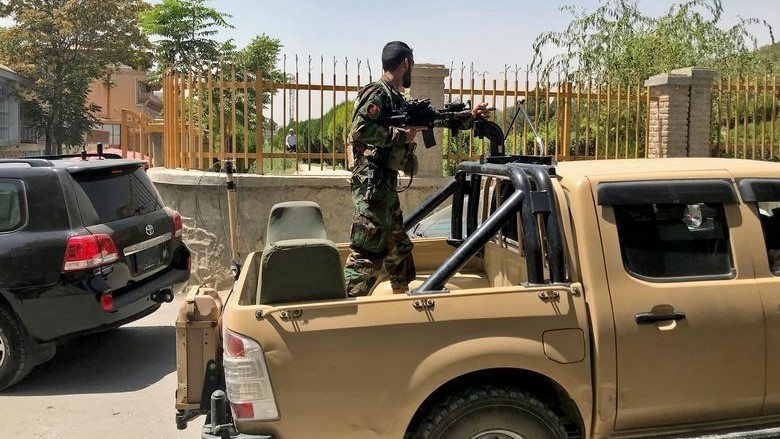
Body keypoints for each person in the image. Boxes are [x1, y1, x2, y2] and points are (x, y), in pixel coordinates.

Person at [343, 40, 490, 296]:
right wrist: (401, 136)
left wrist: (471, 116)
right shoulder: (377, 93)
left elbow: (435, 118)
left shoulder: (397, 98)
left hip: (383, 184)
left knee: (399, 248)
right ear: (406, 63)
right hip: (372, 185)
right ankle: (346, 304)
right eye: (410, 64)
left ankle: (403, 303)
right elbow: (361, 129)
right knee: (368, 250)